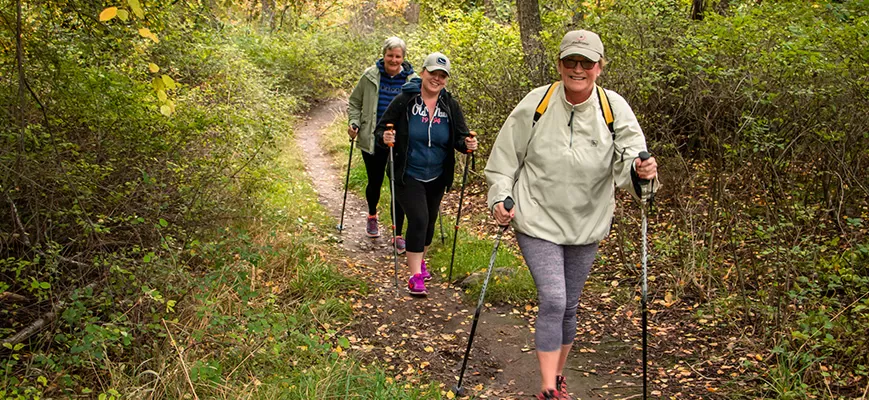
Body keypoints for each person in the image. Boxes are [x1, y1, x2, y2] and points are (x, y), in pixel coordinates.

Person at [484, 30, 658, 400]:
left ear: (599, 67)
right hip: (537, 218)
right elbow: (503, 162)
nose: (577, 69)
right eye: (570, 62)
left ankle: (558, 376)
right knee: (554, 299)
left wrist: (642, 174)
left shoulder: (614, 109)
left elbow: (631, 163)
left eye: (586, 63)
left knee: (570, 304)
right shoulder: (536, 104)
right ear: (560, 64)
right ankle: (547, 389)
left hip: (586, 223)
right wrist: (500, 197)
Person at [376, 52, 478, 297]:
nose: (437, 79)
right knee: (419, 219)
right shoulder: (405, 100)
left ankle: (420, 259)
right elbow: (382, 129)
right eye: (433, 73)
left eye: (442, 76)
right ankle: (414, 276)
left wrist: (467, 144)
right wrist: (385, 137)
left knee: (430, 222)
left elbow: (459, 137)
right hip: (407, 172)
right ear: (423, 73)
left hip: (437, 174)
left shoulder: (450, 105)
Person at [347, 36, 416, 253]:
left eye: (398, 56)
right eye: (390, 55)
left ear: (403, 58)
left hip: (401, 142)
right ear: (383, 55)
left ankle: (398, 233)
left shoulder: (413, 81)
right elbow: (354, 102)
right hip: (373, 138)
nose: (393, 60)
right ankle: (372, 215)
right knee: (375, 183)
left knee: (398, 185)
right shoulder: (370, 76)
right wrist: (354, 122)